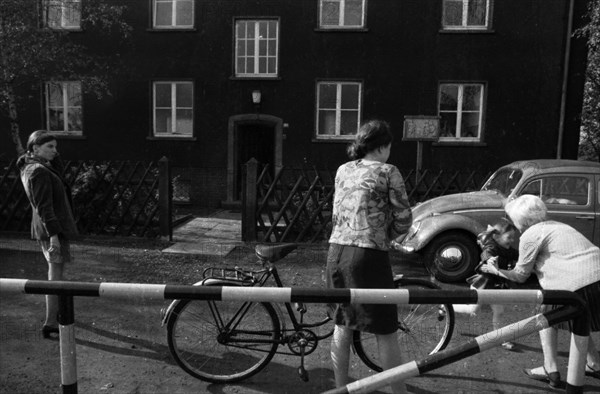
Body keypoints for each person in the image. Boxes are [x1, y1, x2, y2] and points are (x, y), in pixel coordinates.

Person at [326, 120, 412, 393]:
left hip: (336, 252)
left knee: (343, 324)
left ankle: (341, 389)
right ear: (383, 146)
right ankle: (397, 392)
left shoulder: (343, 170)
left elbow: (338, 211)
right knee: (386, 330)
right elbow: (404, 217)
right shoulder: (388, 171)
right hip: (367, 255)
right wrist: (389, 236)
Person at [480, 195, 600, 388]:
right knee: (577, 317)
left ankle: (550, 369)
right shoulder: (558, 225)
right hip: (597, 278)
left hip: (576, 283)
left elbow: (520, 275)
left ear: (520, 220)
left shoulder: (530, 235)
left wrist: (497, 271)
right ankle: (594, 363)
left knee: (545, 315)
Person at [17, 130, 78, 339]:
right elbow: (44, 207)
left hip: (50, 228)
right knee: (55, 276)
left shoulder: (32, 165)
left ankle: (55, 315)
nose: (55, 151)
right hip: (52, 229)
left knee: (56, 275)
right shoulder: (39, 171)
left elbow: (61, 175)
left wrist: (48, 150)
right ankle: (50, 322)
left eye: (55, 146)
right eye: (50, 146)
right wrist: (54, 237)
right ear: (35, 148)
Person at [453, 218, 520, 350]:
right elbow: (487, 255)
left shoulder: (509, 250)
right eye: (509, 237)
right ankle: (447, 307)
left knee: (499, 311)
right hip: (484, 284)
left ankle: (500, 338)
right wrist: (490, 261)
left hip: (497, 286)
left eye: (513, 237)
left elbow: (520, 256)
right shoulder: (491, 247)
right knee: (473, 310)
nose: (512, 240)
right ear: (496, 236)